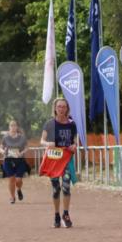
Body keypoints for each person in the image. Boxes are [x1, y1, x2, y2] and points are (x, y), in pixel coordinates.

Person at [39, 98, 78, 228]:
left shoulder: (72, 124)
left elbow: (75, 141)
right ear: (55, 109)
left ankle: (65, 214)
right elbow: (42, 141)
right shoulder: (49, 124)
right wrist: (48, 144)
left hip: (66, 159)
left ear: (67, 109)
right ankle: (56, 214)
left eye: (64, 107)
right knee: (56, 189)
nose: (61, 109)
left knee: (66, 187)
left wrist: (74, 146)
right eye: (59, 107)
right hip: (54, 159)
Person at [0, 119, 30, 204]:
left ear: (17, 127)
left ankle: (19, 189)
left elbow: (27, 147)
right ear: (9, 127)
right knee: (11, 179)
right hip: (8, 160)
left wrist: (22, 152)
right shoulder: (5, 137)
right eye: (11, 125)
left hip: (20, 160)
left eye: (14, 125)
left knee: (18, 180)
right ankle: (12, 197)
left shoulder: (22, 137)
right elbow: (1, 147)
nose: (13, 127)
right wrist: (2, 151)